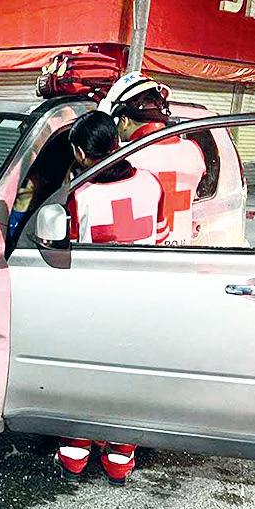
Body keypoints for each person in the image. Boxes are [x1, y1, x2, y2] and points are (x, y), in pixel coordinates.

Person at [54, 111, 163, 484]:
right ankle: (119, 458)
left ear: (80, 153)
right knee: (129, 382)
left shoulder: (80, 194)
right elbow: (162, 238)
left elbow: (64, 251)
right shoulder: (150, 182)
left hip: (95, 304)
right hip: (142, 302)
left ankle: (75, 455)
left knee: (86, 378)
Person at [99, 72, 206, 246]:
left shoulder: (122, 157)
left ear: (124, 121)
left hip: (140, 253)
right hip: (182, 252)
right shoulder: (193, 150)